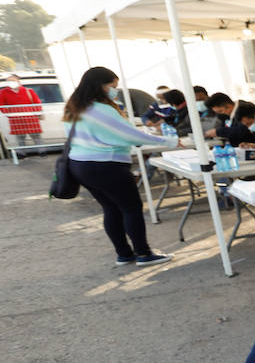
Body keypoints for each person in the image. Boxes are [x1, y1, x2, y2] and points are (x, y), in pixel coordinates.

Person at [63, 67, 176, 265]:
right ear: (100, 85)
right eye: (112, 86)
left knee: (111, 208)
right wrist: (169, 142)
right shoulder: (101, 109)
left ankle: (124, 254)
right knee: (131, 208)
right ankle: (144, 254)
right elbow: (129, 135)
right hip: (106, 165)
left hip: (80, 165)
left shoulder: (73, 107)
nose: (115, 90)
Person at [1, 73, 43, 146]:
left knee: (36, 136)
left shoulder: (28, 91)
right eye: (9, 81)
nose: (11, 83)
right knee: (20, 138)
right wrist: (9, 114)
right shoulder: (4, 92)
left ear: (18, 81)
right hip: (16, 119)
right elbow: (1, 105)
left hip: (30, 118)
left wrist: (36, 112)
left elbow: (37, 102)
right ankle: (22, 154)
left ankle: (42, 152)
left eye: (13, 80)